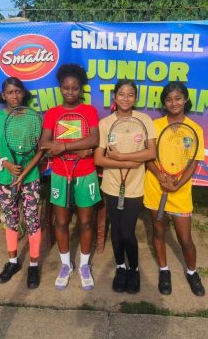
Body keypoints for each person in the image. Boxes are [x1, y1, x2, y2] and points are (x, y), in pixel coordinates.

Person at [40, 63, 101, 291]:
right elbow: (44, 144)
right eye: (66, 88)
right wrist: (75, 150)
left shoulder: (89, 111)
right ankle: (66, 265)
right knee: (62, 222)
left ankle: (84, 265)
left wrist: (62, 145)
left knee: (86, 222)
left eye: (75, 88)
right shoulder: (53, 113)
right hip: (59, 175)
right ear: (60, 88)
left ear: (81, 88)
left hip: (86, 174)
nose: (70, 92)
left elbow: (93, 140)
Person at [144, 82, 205, 297]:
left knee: (185, 240)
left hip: (179, 193)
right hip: (155, 188)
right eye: (169, 99)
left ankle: (192, 272)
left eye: (178, 98)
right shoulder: (155, 125)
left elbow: (193, 163)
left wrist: (178, 183)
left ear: (185, 100)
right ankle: (164, 270)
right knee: (158, 231)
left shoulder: (195, 129)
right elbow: (148, 156)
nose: (174, 103)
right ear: (164, 102)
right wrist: (159, 175)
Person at [94, 80, 156, 293]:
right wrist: (128, 162)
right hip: (111, 186)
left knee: (128, 232)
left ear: (135, 98)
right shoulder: (105, 123)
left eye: (130, 95)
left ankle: (135, 269)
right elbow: (99, 159)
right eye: (121, 94)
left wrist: (121, 156)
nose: (126, 98)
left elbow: (150, 153)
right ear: (114, 97)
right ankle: (121, 267)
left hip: (135, 188)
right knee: (117, 231)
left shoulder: (145, 120)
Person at [0, 77, 42, 289]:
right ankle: (13, 262)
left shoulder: (33, 118)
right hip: (6, 180)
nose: (15, 95)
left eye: (18, 91)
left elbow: (40, 150)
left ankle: (34, 265)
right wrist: (5, 164)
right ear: (4, 95)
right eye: (10, 92)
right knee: (11, 220)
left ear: (23, 93)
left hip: (30, 178)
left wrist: (25, 172)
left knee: (33, 220)